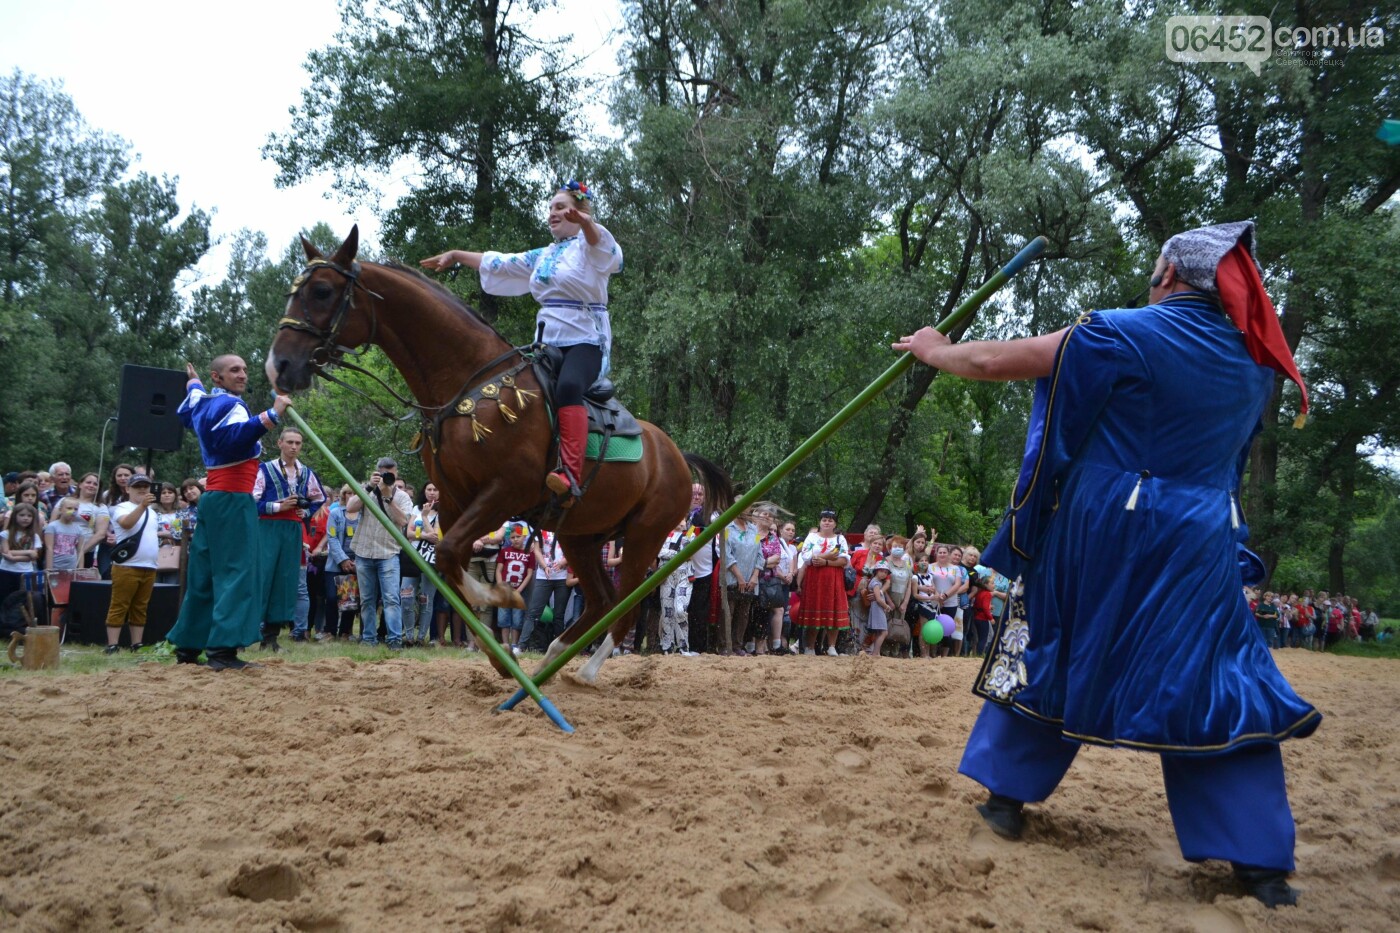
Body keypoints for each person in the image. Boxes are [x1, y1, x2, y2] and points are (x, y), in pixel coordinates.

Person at [894, 220, 1318, 907]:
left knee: (1048, 635)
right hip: (1201, 536)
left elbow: (997, 361)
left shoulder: (1125, 331)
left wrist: (933, 349)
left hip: (1102, 525)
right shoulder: (1256, 365)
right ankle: (1259, 862)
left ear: (1172, 277)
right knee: (1216, 671)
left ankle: (1005, 795)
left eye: (1155, 269)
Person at [420, 180, 624, 504]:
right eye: (551, 208)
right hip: (546, 341)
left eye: (560, 207)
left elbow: (607, 253)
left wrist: (587, 223)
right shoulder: (544, 255)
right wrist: (457, 254)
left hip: (585, 340)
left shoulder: (590, 247)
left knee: (569, 387)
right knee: (514, 386)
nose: (552, 213)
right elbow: (500, 262)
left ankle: (570, 474)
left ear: (579, 211)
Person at [167, 356, 289, 671]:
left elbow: (188, 407)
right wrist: (272, 415)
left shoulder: (204, 400)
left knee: (204, 573)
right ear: (218, 377)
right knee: (238, 572)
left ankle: (189, 646)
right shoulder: (232, 406)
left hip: (212, 499)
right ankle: (222, 649)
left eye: (245, 370)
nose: (243, 375)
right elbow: (233, 440)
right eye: (235, 370)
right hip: (234, 499)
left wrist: (193, 382)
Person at [252, 426, 326, 649]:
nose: (294, 447)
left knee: (285, 582)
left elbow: (319, 497)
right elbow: (250, 501)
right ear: (280, 443)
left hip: (293, 530)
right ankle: (248, 633)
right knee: (262, 579)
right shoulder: (264, 469)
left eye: (298, 443)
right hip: (268, 528)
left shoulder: (306, 472)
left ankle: (271, 637)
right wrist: (277, 506)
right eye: (290, 442)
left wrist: (308, 512)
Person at [345, 456, 414, 649]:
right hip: (364, 551)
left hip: (389, 553)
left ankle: (394, 640)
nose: (387, 477)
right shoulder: (367, 490)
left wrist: (389, 497)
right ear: (377, 472)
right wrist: (368, 487)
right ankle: (368, 639)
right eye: (384, 473)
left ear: (396, 473)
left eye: (390, 473)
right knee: (367, 599)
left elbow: (403, 521)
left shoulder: (402, 496)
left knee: (391, 598)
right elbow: (350, 508)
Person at [104, 473, 160, 653]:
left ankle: (137, 643)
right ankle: (112, 644)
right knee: (120, 604)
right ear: (128, 489)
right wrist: (142, 506)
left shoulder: (152, 512)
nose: (142, 489)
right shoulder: (121, 507)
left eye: (145, 486)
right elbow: (126, 523)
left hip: (149, 566)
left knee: (141, 606)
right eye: (137, 486)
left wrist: (145, 507)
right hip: (127, 565)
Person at [794, 509, 850, 656]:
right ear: (819, 522)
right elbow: (806, 556)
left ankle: (831, 646)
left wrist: (825, 561)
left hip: (834, 578)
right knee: (815, 608)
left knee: (834, 609)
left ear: (835, 524)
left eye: (830, 520)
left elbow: (843, 560)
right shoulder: (812, 537)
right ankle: (810, 647)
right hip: (814, 578)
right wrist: (829, 555)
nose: (827, 522)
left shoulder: (840, 539)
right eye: (824, 520)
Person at [43, 496, 87, 630]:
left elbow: (80, 550)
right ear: (61, 509)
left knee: (67, 597)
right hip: (55, 566)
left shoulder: (78, 529)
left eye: (75, 509)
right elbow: (49, 547)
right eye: (69, 508)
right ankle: (51, 625)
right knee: (53, 598)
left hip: (70, 569)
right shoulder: (53, 526)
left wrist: (80, 569)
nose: (72, 511)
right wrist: (49, 569)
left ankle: (66, 626)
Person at [494, 523, 535, 654]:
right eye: (512, 537)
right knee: (503, 618)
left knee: (517, 619)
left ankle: (515, 644)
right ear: (509, 539)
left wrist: (519, 590)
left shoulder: (529, 553)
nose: (515, 539)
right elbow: (499, 570)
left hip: (519, 590)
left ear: (524, 537)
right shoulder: (505, 552)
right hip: (505, 590)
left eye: (518, 536)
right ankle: (505, 644)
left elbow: (529, 574)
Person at [0, 503, 43, 607]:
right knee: (5, 599)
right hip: (6, 571)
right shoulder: (6, 534)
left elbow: (34, 556)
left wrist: (13, 557)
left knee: (23, 601)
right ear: (15, 516)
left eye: (29, 516)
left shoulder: (34, 536)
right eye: (22, 515)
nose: (25, 518)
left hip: (25, 572)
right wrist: (28, 552)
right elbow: (5, 552)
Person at [864, 562, 894, 657]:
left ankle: (877, 652)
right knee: (884, 632)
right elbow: (878, 598)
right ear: (876, 571)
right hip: (878, 608)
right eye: (881, 571)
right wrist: (886, 606)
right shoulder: (876, 583)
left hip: (877, 608)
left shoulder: (876, 581)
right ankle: (875, 653)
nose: (883, 574)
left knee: (879, 632)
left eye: (885, 572)